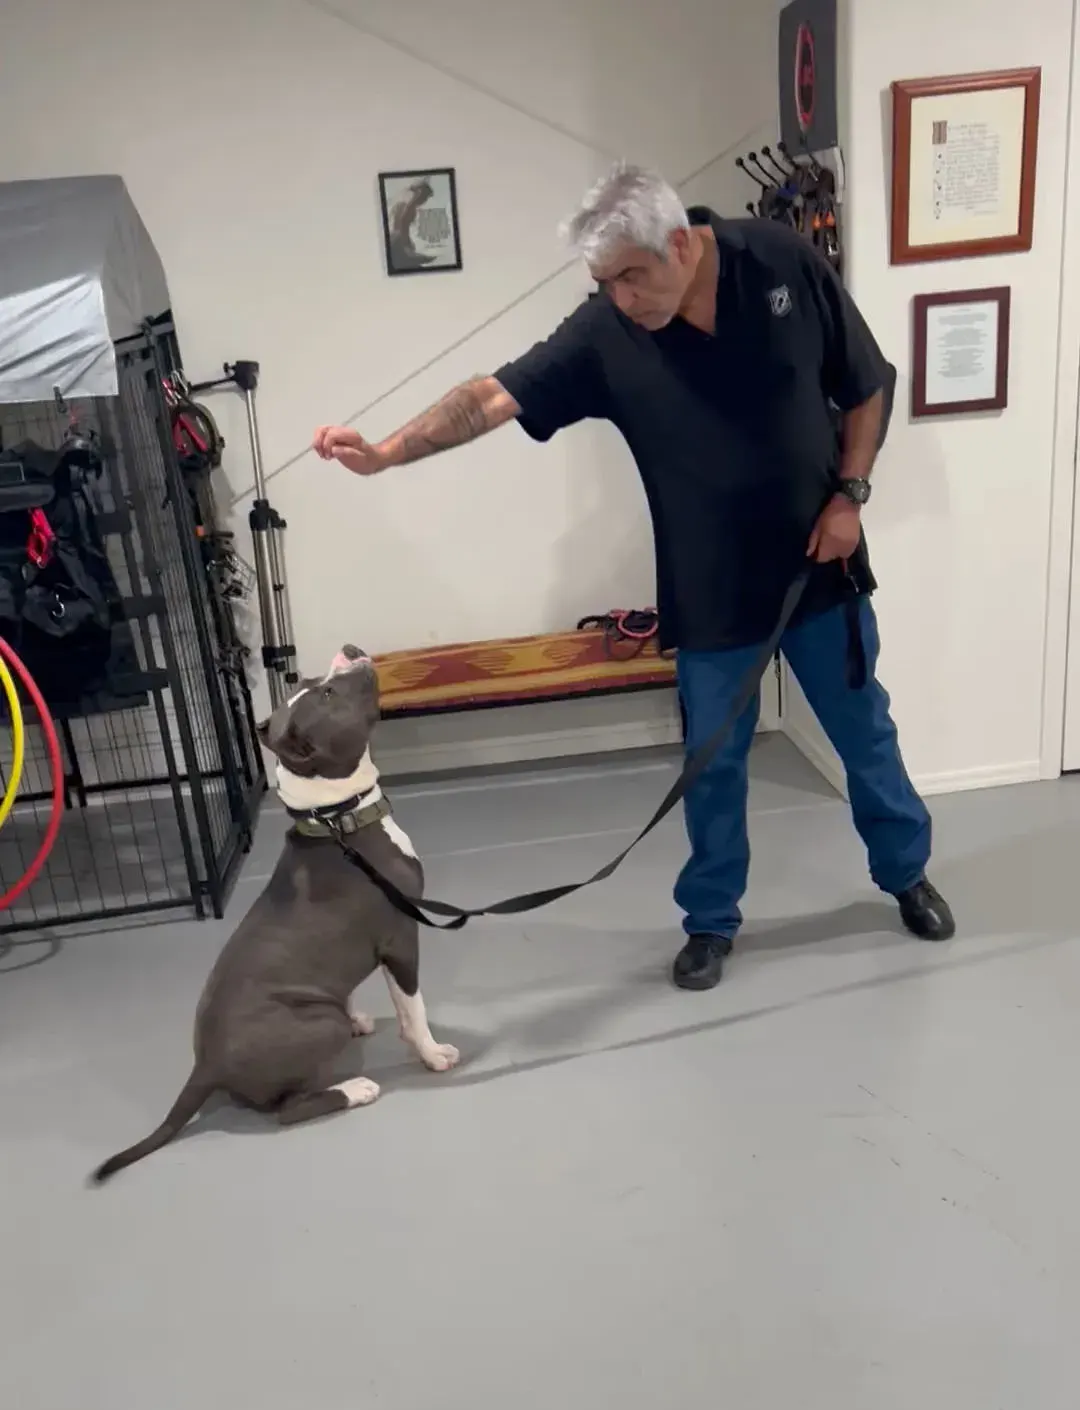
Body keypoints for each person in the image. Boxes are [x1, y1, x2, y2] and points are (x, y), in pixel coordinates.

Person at [313, 162, 955, 990]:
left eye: (630, 276)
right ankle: (713, 923)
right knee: (711, 767)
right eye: (602, 280)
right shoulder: (607, 333)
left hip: (817, 569)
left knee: (865, 736)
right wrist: (390, 452)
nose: (618, 296)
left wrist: (851, 497)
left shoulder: (782, 262)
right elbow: (494, 396)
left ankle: (906, 873)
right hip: (710, 590)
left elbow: (868, 385)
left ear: (682, 244)